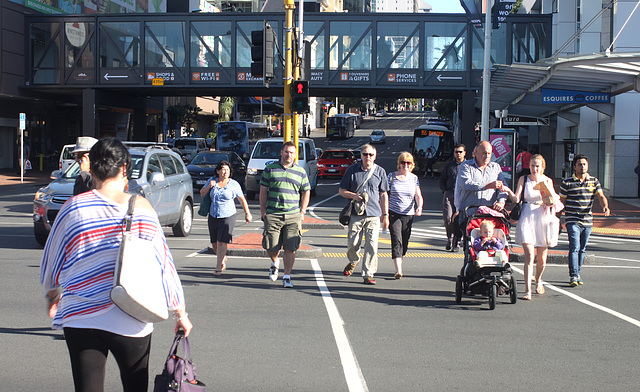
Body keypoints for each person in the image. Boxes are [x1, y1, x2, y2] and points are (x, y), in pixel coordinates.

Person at [40, 137, 192, 392]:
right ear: (124, 169)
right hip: (131, 315)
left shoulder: (71, 208)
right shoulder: (141, 208)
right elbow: (165, 265)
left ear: (92, 168)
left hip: (80, 317)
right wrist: (180, 313)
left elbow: (51, 265)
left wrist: (53, 297)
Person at [503, 154, 560, 300]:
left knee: (541, 259)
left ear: (542, 167)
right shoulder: (524, 179)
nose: (534, 169)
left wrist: (548, 199)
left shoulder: (547, 181)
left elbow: (552, 202)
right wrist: (507, 190)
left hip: (543, 217)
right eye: (532, 165)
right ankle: (527, 290)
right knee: (529, 256)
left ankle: (538, 279)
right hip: (527, 216)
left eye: (537, 166)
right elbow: (517, 198)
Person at [260, 141, 310, 288]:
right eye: (287, 152)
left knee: (291, 247)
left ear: (295, 155)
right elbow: (263, 191)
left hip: (293, 215)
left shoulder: (300, 171)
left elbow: (306, 191)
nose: (289, 155)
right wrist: (263, 211)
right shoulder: (270, 169)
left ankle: (287, 276)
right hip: (273, 214)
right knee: (271, 246)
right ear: (281, 153)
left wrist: (303, 211)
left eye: (292, 153)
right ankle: (275, 262)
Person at [339, 144, 390, 285]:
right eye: (365, 154)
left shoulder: (380, 171)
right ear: (360, 155)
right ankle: (353, 261)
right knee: (353, 244)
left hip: (373, 214)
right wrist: (354, 196)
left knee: (372, 245)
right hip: (356, 213)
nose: (368, 157)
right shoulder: (352, 170)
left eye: (371, 155)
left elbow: (384, 194)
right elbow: (341, 190)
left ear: (375, 156)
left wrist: (385, 215)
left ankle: (368, 273)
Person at [559, 154, 610, 287]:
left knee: (582, 249)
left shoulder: (594, 181)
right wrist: (557, 220)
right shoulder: (567, 183)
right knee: (574, 247)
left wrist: (605, 206)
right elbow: (561, 203)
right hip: (572, 220)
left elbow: (601, 196)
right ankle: (573, 275)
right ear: (574, 166)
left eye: (585, 164)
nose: (583, 167)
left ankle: (578, 273)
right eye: (580, 164)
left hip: (587, 220)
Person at [200, 160, 252, 276]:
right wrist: (209, 186)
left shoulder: (233, 184)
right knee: (214, 243)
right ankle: (222, 258)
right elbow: (202, 193)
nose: (225, 172)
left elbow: (242, 199)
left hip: (228, 216)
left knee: (222, 242)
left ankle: (218, 266)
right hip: (213, 214)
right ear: (218, 171)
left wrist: (247, 213)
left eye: (227, 170)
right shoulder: (212, 181)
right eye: (223, 169)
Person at [387, 152, 423, 279]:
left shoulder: (414, 178)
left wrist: (419, 207)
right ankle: (398, 270)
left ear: (412, 164)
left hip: (408, 214)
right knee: (396, 240)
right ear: (399, 164)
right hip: (393, 213)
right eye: (403, 163)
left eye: (408, 163)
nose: (405, 165)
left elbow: (418, 195)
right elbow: (385, 195)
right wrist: (384, 213)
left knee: (405, 241)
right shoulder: (391, 177)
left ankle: (400, 257)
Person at [454, 140, 508, 222]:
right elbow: (466, 185)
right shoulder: (466, 166)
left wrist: (501, 202)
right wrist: (488, 185)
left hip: (489, 213)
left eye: (489, 153)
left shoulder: (495, 167)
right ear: (476, 152)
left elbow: (503, 188)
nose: (486, 156)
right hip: (469, 213)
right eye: (484, 153)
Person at [439, 143, 466, 252]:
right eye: (456, 152)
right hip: (449, 193)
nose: (458, 154)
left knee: (459, 219)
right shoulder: (449, 165)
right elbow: (442, 178)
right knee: (448, 217)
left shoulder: (467, 166)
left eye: (460, 152)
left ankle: (457, 241)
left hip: (462, 195)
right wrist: (444, 190)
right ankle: (450, 238)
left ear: (464, 153)